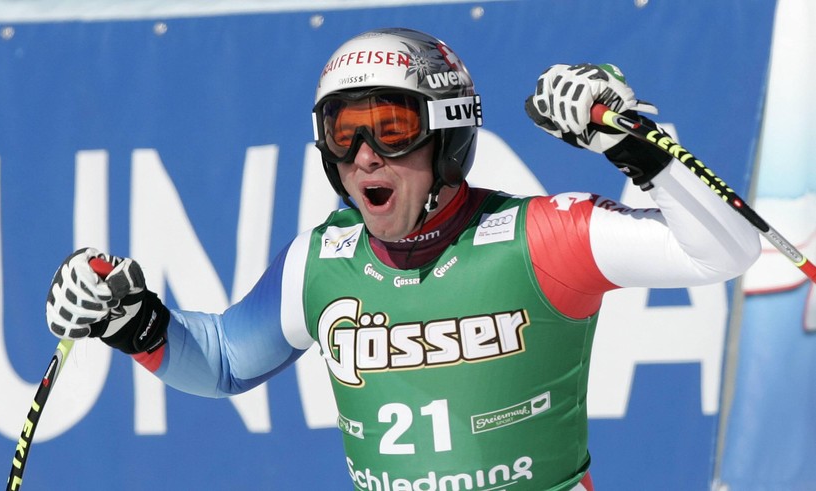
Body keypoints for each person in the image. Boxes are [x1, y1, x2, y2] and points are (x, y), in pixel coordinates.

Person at [45, 27, 760, 491]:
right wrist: (132, 321)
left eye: (390, 127)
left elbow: (726, 249)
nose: (363, 157)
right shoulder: (321, 261)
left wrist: (632, 143)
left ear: (445, 133)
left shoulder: (539, 236)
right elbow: (224, 358)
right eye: (342, 131)